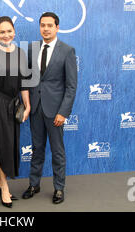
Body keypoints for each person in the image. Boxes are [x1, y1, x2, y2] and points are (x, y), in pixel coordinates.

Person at [22, 12, 77, 204]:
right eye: (42, 25)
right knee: (37, 149)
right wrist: (27, 105)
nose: (45, 29)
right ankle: (34, 184)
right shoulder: (31, 48)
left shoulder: (67, 50)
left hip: (55, 111)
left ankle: (59, 188)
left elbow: (71, 86)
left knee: (57, 151)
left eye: (49, 25)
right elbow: (27, 79)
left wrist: (63, 112)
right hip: (36, 108)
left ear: (57, 27)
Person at [0, 16, 31, 208]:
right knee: (3, 144)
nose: (6, 34)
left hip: (14, 104)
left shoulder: (20, 52)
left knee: (10, 145)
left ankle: (0, 181)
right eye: (2, 31)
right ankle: (5, 188)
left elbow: (24, 82)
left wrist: (27, 104)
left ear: (14, 32)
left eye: (9, 31)